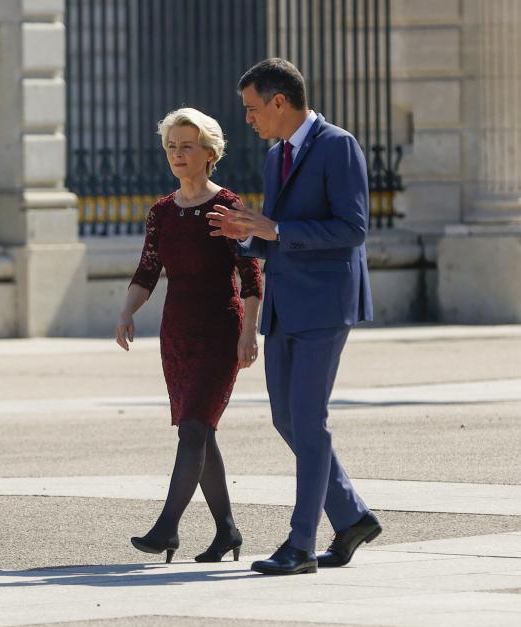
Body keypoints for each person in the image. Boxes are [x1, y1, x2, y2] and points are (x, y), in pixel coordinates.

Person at [208, 58, 381, 575]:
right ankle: (351, 517)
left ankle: (300, 544)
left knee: (308, 420)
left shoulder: (338, 145)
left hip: (326, 305)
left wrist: (275, 230)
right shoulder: (273, 156)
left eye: (253, 108)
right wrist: (247, 235)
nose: (249, 119)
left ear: (280, 102)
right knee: (287, 418)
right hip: (284, 305)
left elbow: (352, 228)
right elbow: (275, 232)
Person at [116, 108, 262, 564]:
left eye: (187, 146)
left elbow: (251, 277)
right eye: (171, 147)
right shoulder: (162, 211)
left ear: (209, 152)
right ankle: (227, 532)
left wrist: (248, 333)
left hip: (221, 330)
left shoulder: (228, 206)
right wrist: (126, 312)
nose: (177, 155)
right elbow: (147, 271)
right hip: (176, 334)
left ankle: (167, 529)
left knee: (195, 428)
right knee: (200, 433)